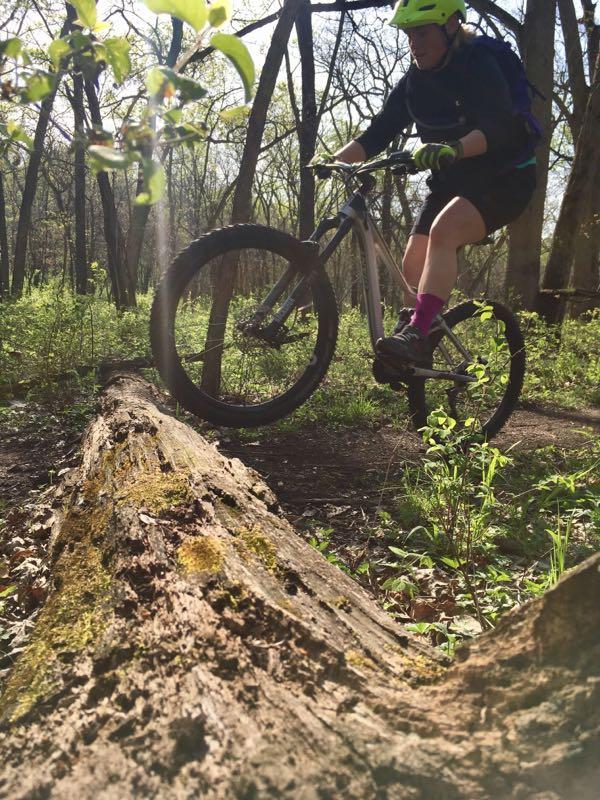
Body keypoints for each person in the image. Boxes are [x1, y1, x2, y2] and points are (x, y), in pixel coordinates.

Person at [326, 0, 537, 366]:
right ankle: (411, 350)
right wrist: (331, 160)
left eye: (422, 32)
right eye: (409, 34)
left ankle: (417, 336)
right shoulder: (414, 83)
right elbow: (377, 133)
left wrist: (452, 148)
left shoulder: (478, 64)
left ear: (452, 25)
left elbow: (498, 128)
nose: (414, 42)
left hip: (506, 176)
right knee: (413, 263)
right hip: (453, 180)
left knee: (444, 232)